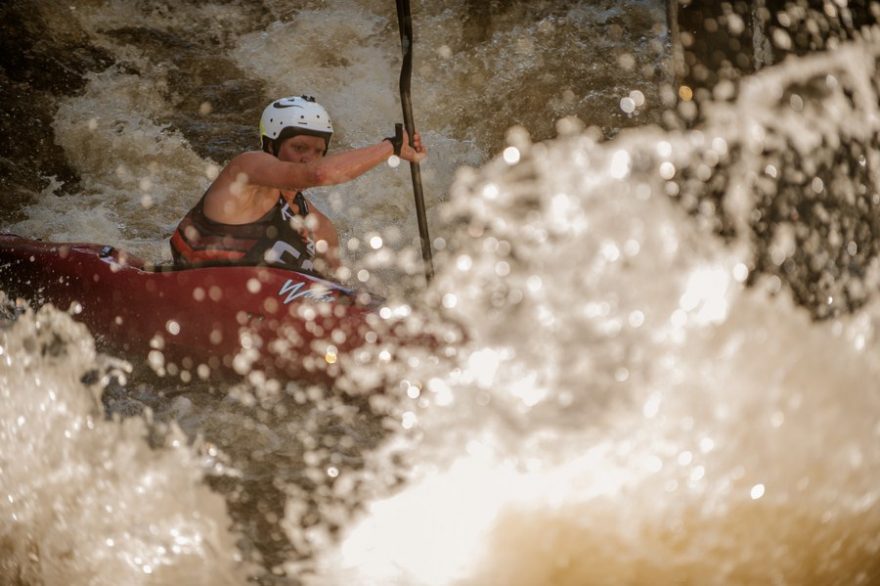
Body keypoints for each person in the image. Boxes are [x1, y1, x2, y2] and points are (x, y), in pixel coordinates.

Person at [170, 95, 426, 276]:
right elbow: (317, 175)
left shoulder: (321, 229)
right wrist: (391, 147)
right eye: (299, 147)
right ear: (270, 146)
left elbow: (336, 294)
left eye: (318, 151)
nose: (309, 157)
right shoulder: (245, 171)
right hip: (195, 297)